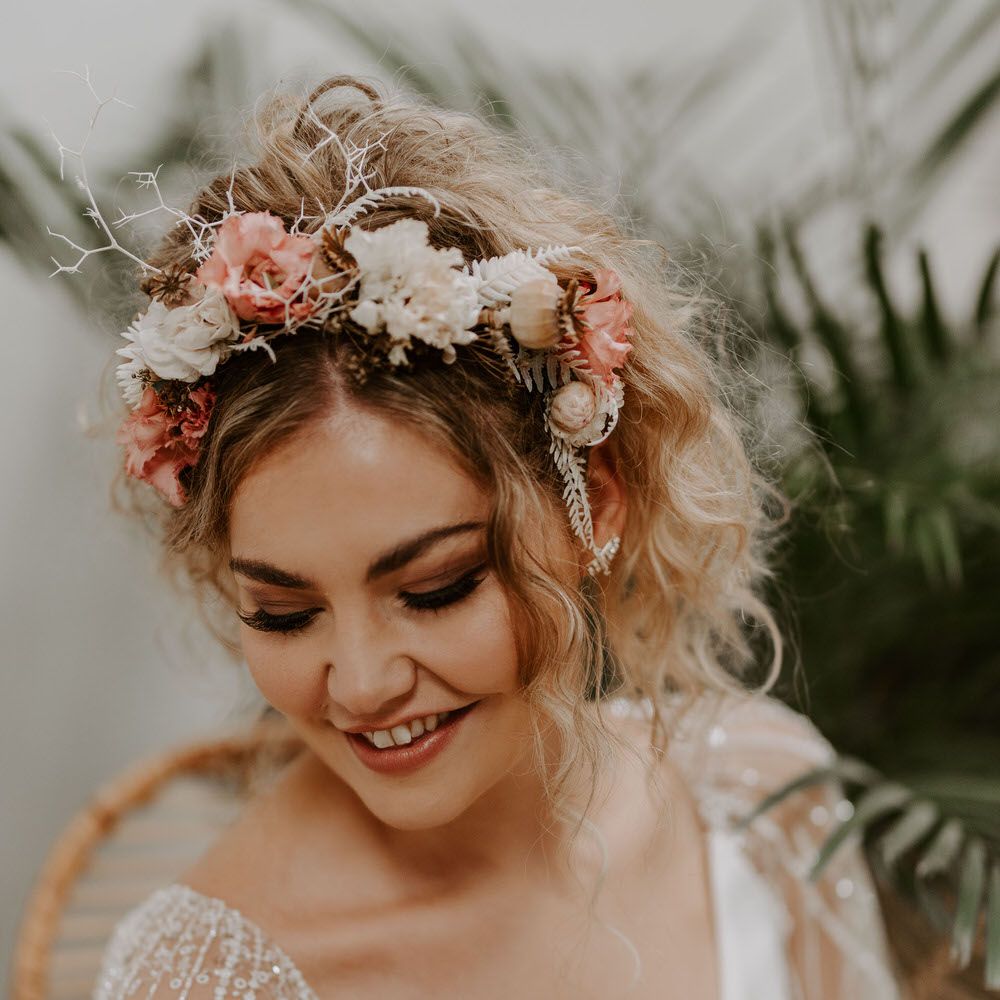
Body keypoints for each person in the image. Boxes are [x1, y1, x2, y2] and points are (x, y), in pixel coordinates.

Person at [89, 75, 900, 999]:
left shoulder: (759, 796)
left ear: (595, 503)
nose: (362, 685)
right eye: (282, 613)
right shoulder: (198, 980)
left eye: (436, 589)